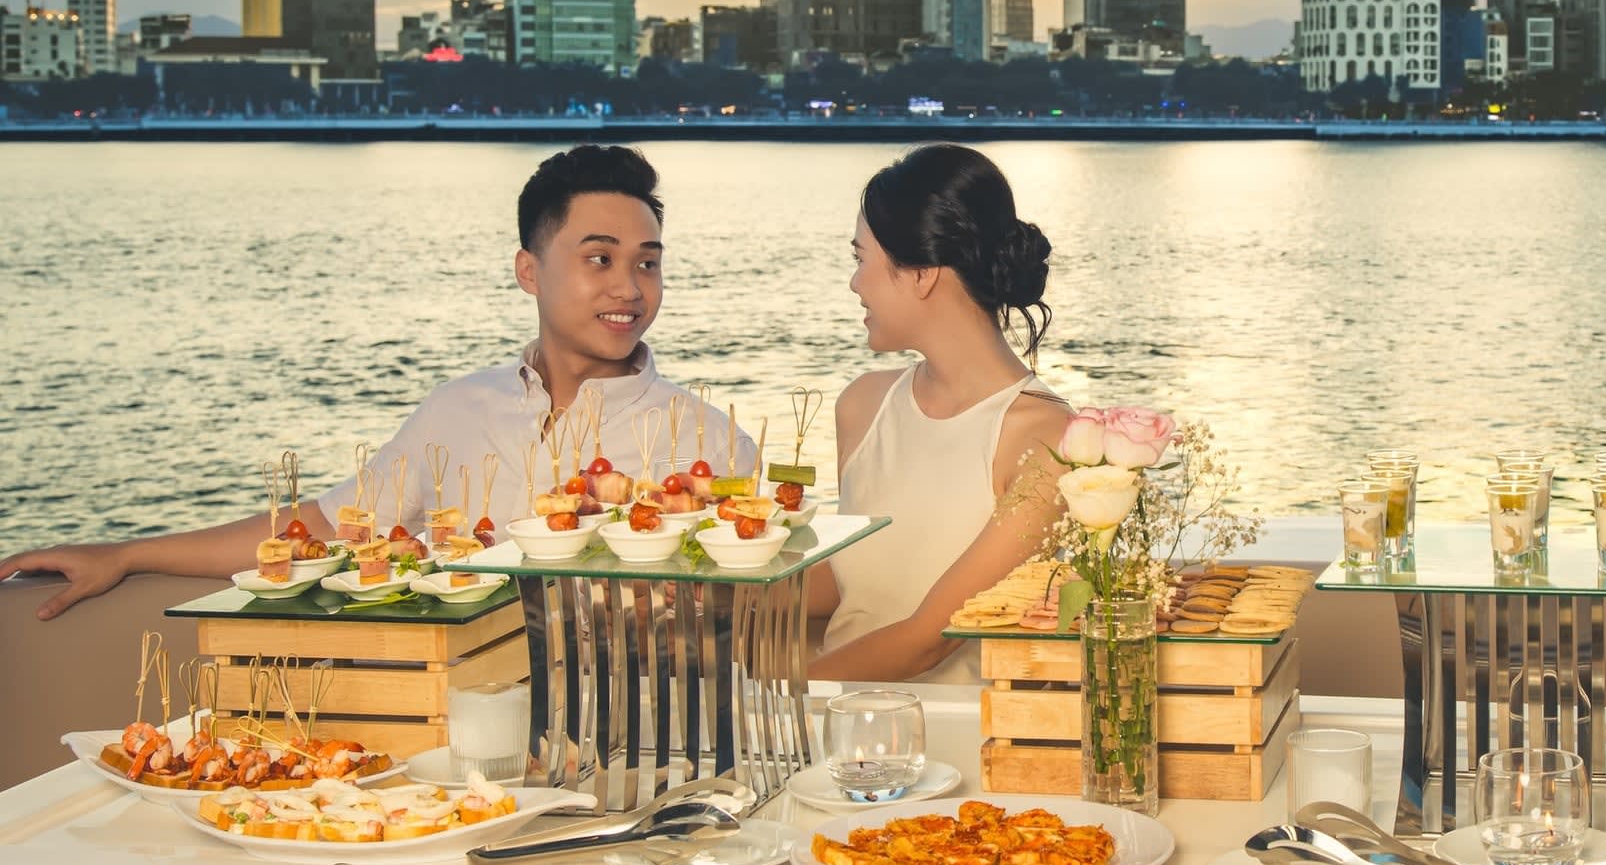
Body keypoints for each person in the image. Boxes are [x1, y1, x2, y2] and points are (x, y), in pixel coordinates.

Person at [0, 144, 751, 619]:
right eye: (600, 258)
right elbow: (327, 528)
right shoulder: (459, 410)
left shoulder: (706, 438)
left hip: (638, 729)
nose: (629, 287)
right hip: (454, 720)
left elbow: (793, 583)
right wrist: (126, 553)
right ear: (529, 269)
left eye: (648, 262)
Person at [809, 144, 1070, 684]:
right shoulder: (862, 404)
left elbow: (929, 641)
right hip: (834, 721)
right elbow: (853, 578)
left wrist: (766, 698)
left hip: (957, 728)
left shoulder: (1047, 439)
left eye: (861, 259)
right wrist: (713, 591)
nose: (855, 283)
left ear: (923, 272)